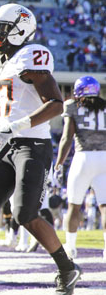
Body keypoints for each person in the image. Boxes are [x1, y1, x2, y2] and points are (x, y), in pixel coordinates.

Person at [0, 4, 81, 295]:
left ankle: (67, 268)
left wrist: (17, 126)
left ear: (20, 30)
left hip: (32, 145)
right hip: (6, 142)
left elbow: (56, 105)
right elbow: (9, 111)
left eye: (2, 28)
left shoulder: (32, 55)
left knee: (24, 214)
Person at [55, 75, 106, 261]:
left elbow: (66, 137)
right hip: (104, 157)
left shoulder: (72, 105)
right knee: (104, 206)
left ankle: (71, 248)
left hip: (83, 157)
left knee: (74, 206)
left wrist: (59, 163)